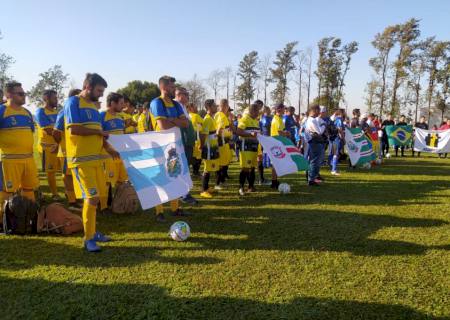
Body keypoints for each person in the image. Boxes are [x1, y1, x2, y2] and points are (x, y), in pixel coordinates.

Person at [64, 73, 119, 252]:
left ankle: (93, 231)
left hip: (95, 159)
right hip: (81, 160)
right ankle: (88, 239)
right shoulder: (73, 102)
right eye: (99, 90)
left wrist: (109, 149)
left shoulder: (94, 107)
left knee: (99, 197)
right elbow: (74, 130)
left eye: (103, 91)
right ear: (87, 86)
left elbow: (97, 131)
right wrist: (98, 134)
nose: (102, 95)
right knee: (92, 197)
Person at [150, 76, 191, 222]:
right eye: (172, 87)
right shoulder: (156, 103)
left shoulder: (176, 104)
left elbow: (186, 123)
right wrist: (176, 121)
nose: (174, 89)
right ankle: (159, 211)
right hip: (158, 147)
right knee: (160, 179)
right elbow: (163, 126)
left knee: (175, 176)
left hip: (174, 145)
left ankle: (175, 208)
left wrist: (171, 120)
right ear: (164, 87)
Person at [0, 81, 39, 225]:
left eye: (24, 93)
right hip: (9, 161)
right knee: (6, 191)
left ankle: (30, 217)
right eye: (20, 94)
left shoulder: (27, 113)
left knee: (29, 189)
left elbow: (29, 134)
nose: (24, 96)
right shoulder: (2, 111)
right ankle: (2, 220)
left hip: (28, 159)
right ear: (9, 94)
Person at [99, 92, 129, 213]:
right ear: (112, 103)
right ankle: (103, 206)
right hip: (107, 155)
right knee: (106, 182)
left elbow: (122, 135)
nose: (123, 105)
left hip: (120, 155)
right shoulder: (102, 116)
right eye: (121, 103)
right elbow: (99, 136)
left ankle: (119, 203)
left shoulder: (120, 117)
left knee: (121, 180)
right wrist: (109, 150)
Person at [53, 88, 81, 208]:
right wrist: (62, 145)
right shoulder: (64, 111)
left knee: (75, 175)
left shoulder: (79, 111)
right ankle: (72, 202)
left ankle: (76, 197)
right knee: (68, 176)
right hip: (66, 152)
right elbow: (56, 132)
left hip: (77, 150)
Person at [175, 87, 198, 206]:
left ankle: (184, 192)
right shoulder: (176, 106)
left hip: (187, 142)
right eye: (186, 94)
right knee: (182, 169)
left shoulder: (183, 107)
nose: (188, 97)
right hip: (182, 143)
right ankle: (183, 194)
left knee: (185, 168)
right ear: (179, 95)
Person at [35, 89, 60, 200]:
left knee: (63, 170)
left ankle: (71, 194)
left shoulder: (57, 113)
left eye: (56, 97)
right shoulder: (41, 111)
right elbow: (48, 130)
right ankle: (55, 194)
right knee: (51, 171)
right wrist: (61, 138)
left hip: (58, 145)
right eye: (54, 98)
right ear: (46, 99)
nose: (56, 100)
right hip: (47, 147)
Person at [236, 103, 260, 196]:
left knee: (253, 167)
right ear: (252, 111)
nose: (258, 113)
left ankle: (251, 186)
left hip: (254, 147)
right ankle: (241, 187)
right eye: (257, 111)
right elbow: (238, 132)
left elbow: (256, 133)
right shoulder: (244, 119)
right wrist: (250, 135)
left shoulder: (256, 121)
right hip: (245, 147)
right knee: (245, 168)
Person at [199, 99, 220, 198]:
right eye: (214, 105)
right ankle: (203, 190)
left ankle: (206, 188)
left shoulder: (212, 118)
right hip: (208, 147)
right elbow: (203, 134)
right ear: (209, 107)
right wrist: (201, 146)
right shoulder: (207, 119)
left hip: (213, 147)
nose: (216, 107)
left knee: (210, 167)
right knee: (207, 168)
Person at [214, 99, 233, 189]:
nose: (226, 108)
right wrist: (220, 141)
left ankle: (222, 181)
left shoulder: (221, 115)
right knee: (221, 164)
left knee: (223, 163)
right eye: (225, 106)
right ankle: (218, 183)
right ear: (222, 106)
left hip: (224, 143)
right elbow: (219, 131)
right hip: (222, 143)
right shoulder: (221, 116)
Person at [270, 103, 290, 189]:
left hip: (277, 142)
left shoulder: (279, 118)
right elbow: (279, 132)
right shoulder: (277, 119)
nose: (284, 110)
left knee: (276, 163)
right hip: (276, 143)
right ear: (279, 109)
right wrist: (286, 133)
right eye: (283, 109)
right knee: (275, 163)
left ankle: (275, 180)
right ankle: (274, 182)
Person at [305, 104, 326, 186]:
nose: (319, 113)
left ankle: (311, 178)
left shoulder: (310, 120)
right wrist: (323, 125)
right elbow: (319, 132)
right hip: (314, 142)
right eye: (318, 110)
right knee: (315, 161)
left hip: (312, 142)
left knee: (312, 161)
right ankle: (311, 180)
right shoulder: (312, 120)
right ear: (315, 110)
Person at [187, 102, 203, 176]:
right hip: (197, 139)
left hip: (189, 139)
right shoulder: (196, 116)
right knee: (198, 156)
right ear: (190, 108)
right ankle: (196, 171)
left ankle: (192, 171)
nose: (197, 108)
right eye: (195, 107)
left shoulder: (186, 116)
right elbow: (202, 125)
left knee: (191, 155)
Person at [258, 106, 272, 185]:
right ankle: (266, 164)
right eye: (268, 109)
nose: (270, 111)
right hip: (265, 137)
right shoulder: (263, 119)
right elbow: (261, 128)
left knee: (267, 152)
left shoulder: (269, 118)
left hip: (268, 137)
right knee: (264, 152)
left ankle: (267, 164)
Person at [328, 109, 345, 175]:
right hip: (336, 138)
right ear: (341, 113)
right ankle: (334, 170)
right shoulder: (339, 119)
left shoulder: (331, 119)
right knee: (335, 154)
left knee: (331, 153)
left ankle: (331, 166)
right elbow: (340, 129)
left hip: (331, 138)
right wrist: (343, 138)